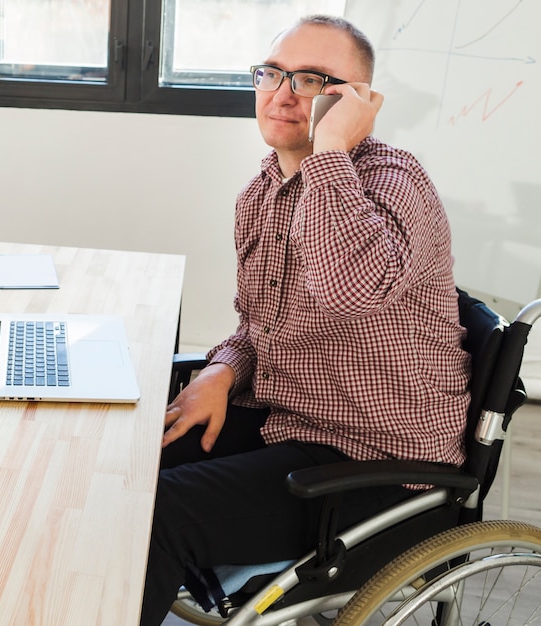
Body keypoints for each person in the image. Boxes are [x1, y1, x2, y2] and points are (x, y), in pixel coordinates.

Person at [140, 14, 471, 626]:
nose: (283, 92)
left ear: (359, 102)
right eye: (272, 73)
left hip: (379, 461)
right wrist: (221, 370)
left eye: (313, 79)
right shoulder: (264, 191)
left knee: (161, 514)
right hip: (292, 420)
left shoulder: (398, 185)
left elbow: (347, 291)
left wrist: (328, 152)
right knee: (124, 463)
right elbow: (258, 324)